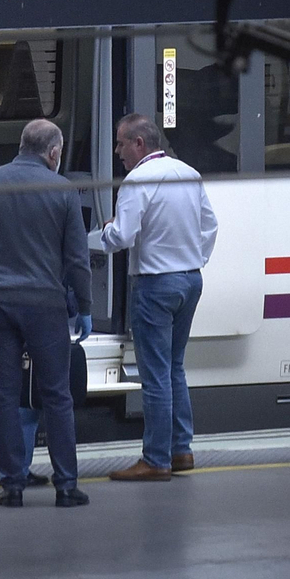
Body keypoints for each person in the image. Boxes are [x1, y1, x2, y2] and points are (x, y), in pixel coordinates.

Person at [0, 119, 92, 508]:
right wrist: (84, 306)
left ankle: (12, 486)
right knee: (56, 395)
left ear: (22, 145)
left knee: (4, 394)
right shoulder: (64, 190)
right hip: (45, 306)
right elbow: (76, 259)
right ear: (53, 153)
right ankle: (67, 486)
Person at [100, 114, 219, 482]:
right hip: (189, 281)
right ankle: (181, 451)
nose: (118, 151)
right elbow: (210, 225)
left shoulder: (136, 181)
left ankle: (155, 459)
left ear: (139, 144)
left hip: (155, 285)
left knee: (155, 377)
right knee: (175, 368)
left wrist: (97, 236)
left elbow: (123, 236)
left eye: (121, 143)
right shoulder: (188, 172)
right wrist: (194, 259)